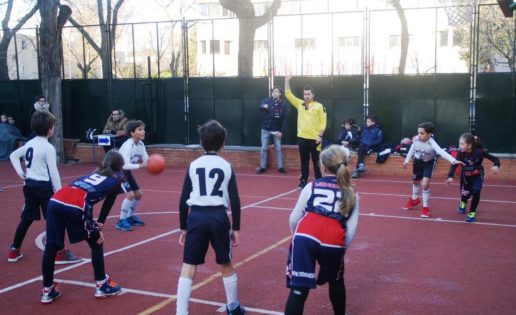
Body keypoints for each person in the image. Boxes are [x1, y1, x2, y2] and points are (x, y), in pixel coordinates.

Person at [40, 150, 128, 304]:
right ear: (120, 166)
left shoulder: (93, 172)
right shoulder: (118, 177)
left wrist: (96, 224)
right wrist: (99, 223)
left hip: (56, 200)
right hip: (76, 204)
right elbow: (109, 201)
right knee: (97, 242)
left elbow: (90, 198)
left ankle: (47, 290)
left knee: (51, 245)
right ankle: (102, 285)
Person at [176, 120, 245, 315]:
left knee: (188, 267)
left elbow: (183, 199)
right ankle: (233, 307)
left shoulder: (193, 165)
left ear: (201, 142)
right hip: (218, 217)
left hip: (196, 216)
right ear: (223, 142)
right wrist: (237, 228)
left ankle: (181, 312)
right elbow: (235, 199)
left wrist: (183, 227)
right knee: (225, 263)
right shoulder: (226, 166)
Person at [285, 145, 359, 315]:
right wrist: (342, 248)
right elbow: (352, 227)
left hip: (305, 236)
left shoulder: (311, 186)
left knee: (298, 288)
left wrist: (296, 236)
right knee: (336, 281)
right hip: (333, 239)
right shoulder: (351, 192)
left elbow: (293, 218)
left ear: (323, 166)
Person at [8, 111, 82, 264]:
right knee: (55, 219)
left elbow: (13, 155)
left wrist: (21, 173)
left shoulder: (30, 143)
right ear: (50, 129)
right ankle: (60, 252)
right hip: (44, 187)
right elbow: (53, 173)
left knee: (26, 219)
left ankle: (14, 250)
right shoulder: (48, 147)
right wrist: (60, 192)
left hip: (30, 186)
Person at [402, 122, 461, 218]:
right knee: (415, 181)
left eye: (422, 133)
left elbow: (442, 152)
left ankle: (425, 207)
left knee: (424, 183)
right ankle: (414, 199)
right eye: (418, 133)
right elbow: (411, 150)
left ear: (429, 134)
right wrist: (407, 160)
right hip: (417, 162)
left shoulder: (432, 143)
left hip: (428, 163)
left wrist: (454, 161)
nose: (419, 135)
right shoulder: (416, 140)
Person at [445, 133, 500, 222]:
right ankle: (463, 202)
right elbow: (454, 164)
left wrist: (496, 166)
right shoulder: (460, 153)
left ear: (469, 145)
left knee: (476, 191)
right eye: (459, 143)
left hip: (477, 176)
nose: (459, 146)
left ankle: (472, 212)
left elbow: (495, 159)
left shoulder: (479, 152)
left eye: (462, 144)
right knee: (465, 195)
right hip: (465, 178)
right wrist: (450, 176)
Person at [285, 76, 327, 189]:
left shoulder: (319, 106)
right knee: (304, 161)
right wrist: (286, 80)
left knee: (316, 161)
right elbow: (288, 95)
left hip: (315, 139)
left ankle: (319, 181)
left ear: (313, 95)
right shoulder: (300, 104)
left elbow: (323, 122)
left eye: (308, 94)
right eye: (305, 94)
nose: (306, 96)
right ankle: (303, 181)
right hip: (302, 138)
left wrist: (320, 135)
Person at [115, 120, 148, 231]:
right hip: (117, 172)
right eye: (140, 129)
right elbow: (124, 166)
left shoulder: (141, 144)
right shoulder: (128, 145)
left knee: (138, 194)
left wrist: (152, 163)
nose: (143, 131)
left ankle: (130, 217)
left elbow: (146, 159)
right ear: (132, 133)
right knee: (131, 195)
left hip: (126, 172)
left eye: (143, 129)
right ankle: (121, 220)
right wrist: (141, 165)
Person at [257, 86, 288, 174]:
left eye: (276, 91)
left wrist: (281, 131)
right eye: (273, 92)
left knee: (278, 149)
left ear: (280, 93)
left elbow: (284, 120)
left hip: (276, 130)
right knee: (263, 148)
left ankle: (280, 167)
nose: (274, 93)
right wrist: (264, 106)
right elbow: (260, 107)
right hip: (265, 129)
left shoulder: (283, 105)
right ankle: (262, 167)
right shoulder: (267, 101)